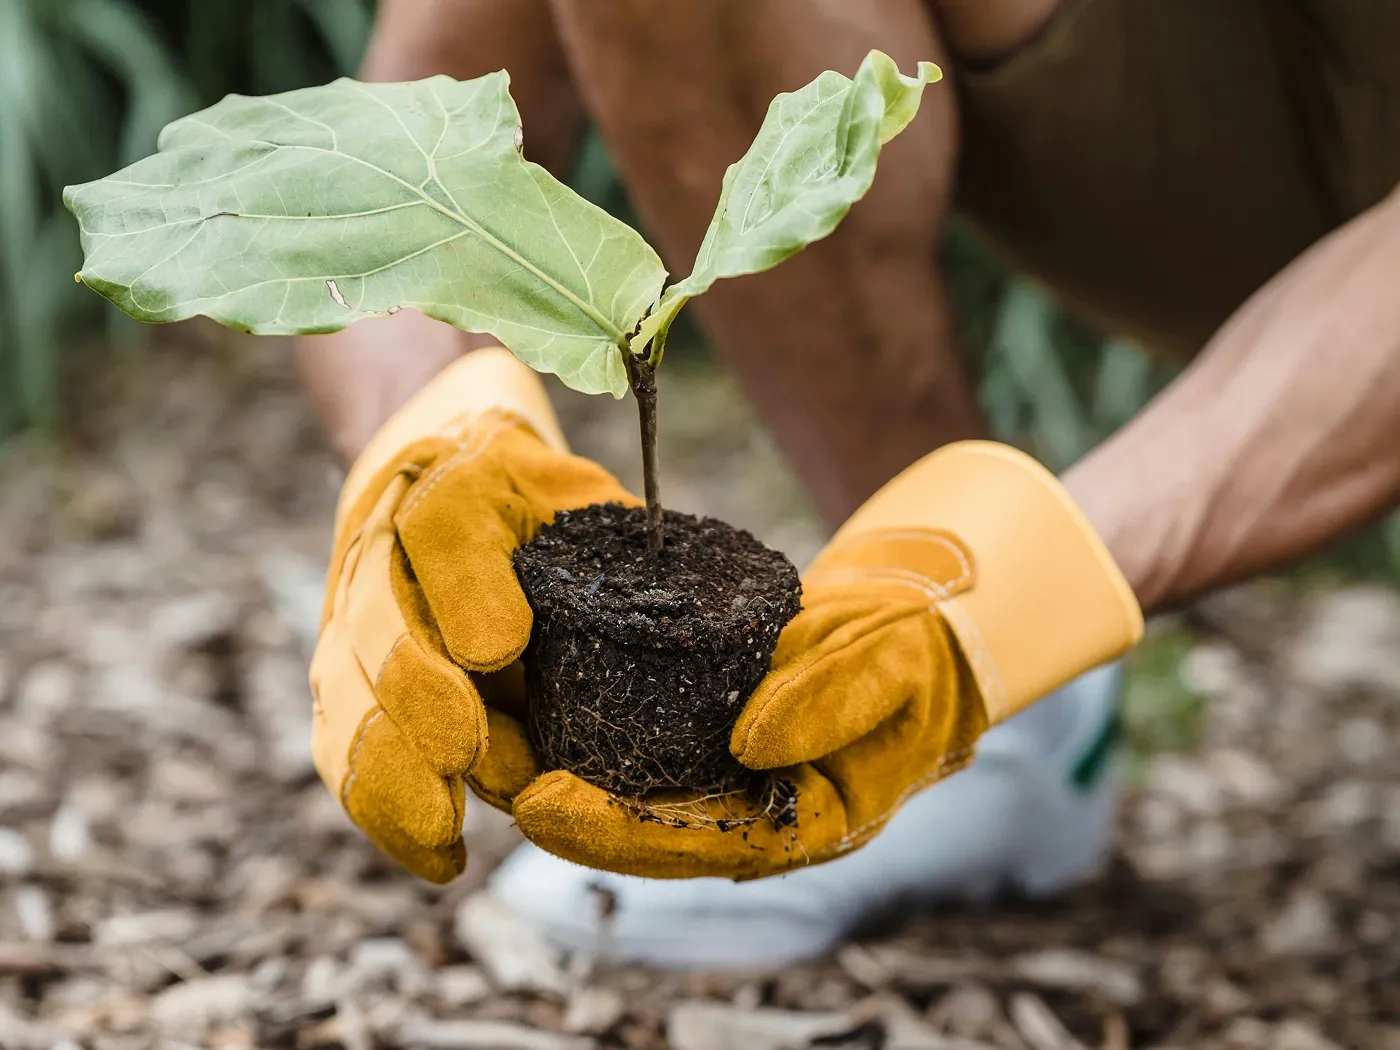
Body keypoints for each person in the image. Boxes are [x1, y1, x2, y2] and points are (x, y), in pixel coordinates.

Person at [298, 0, 1400, 969]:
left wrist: (1020, 583)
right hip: (1210, 134)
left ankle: (975, 689)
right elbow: (398, 145)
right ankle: (988, 736)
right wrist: (423, 432)